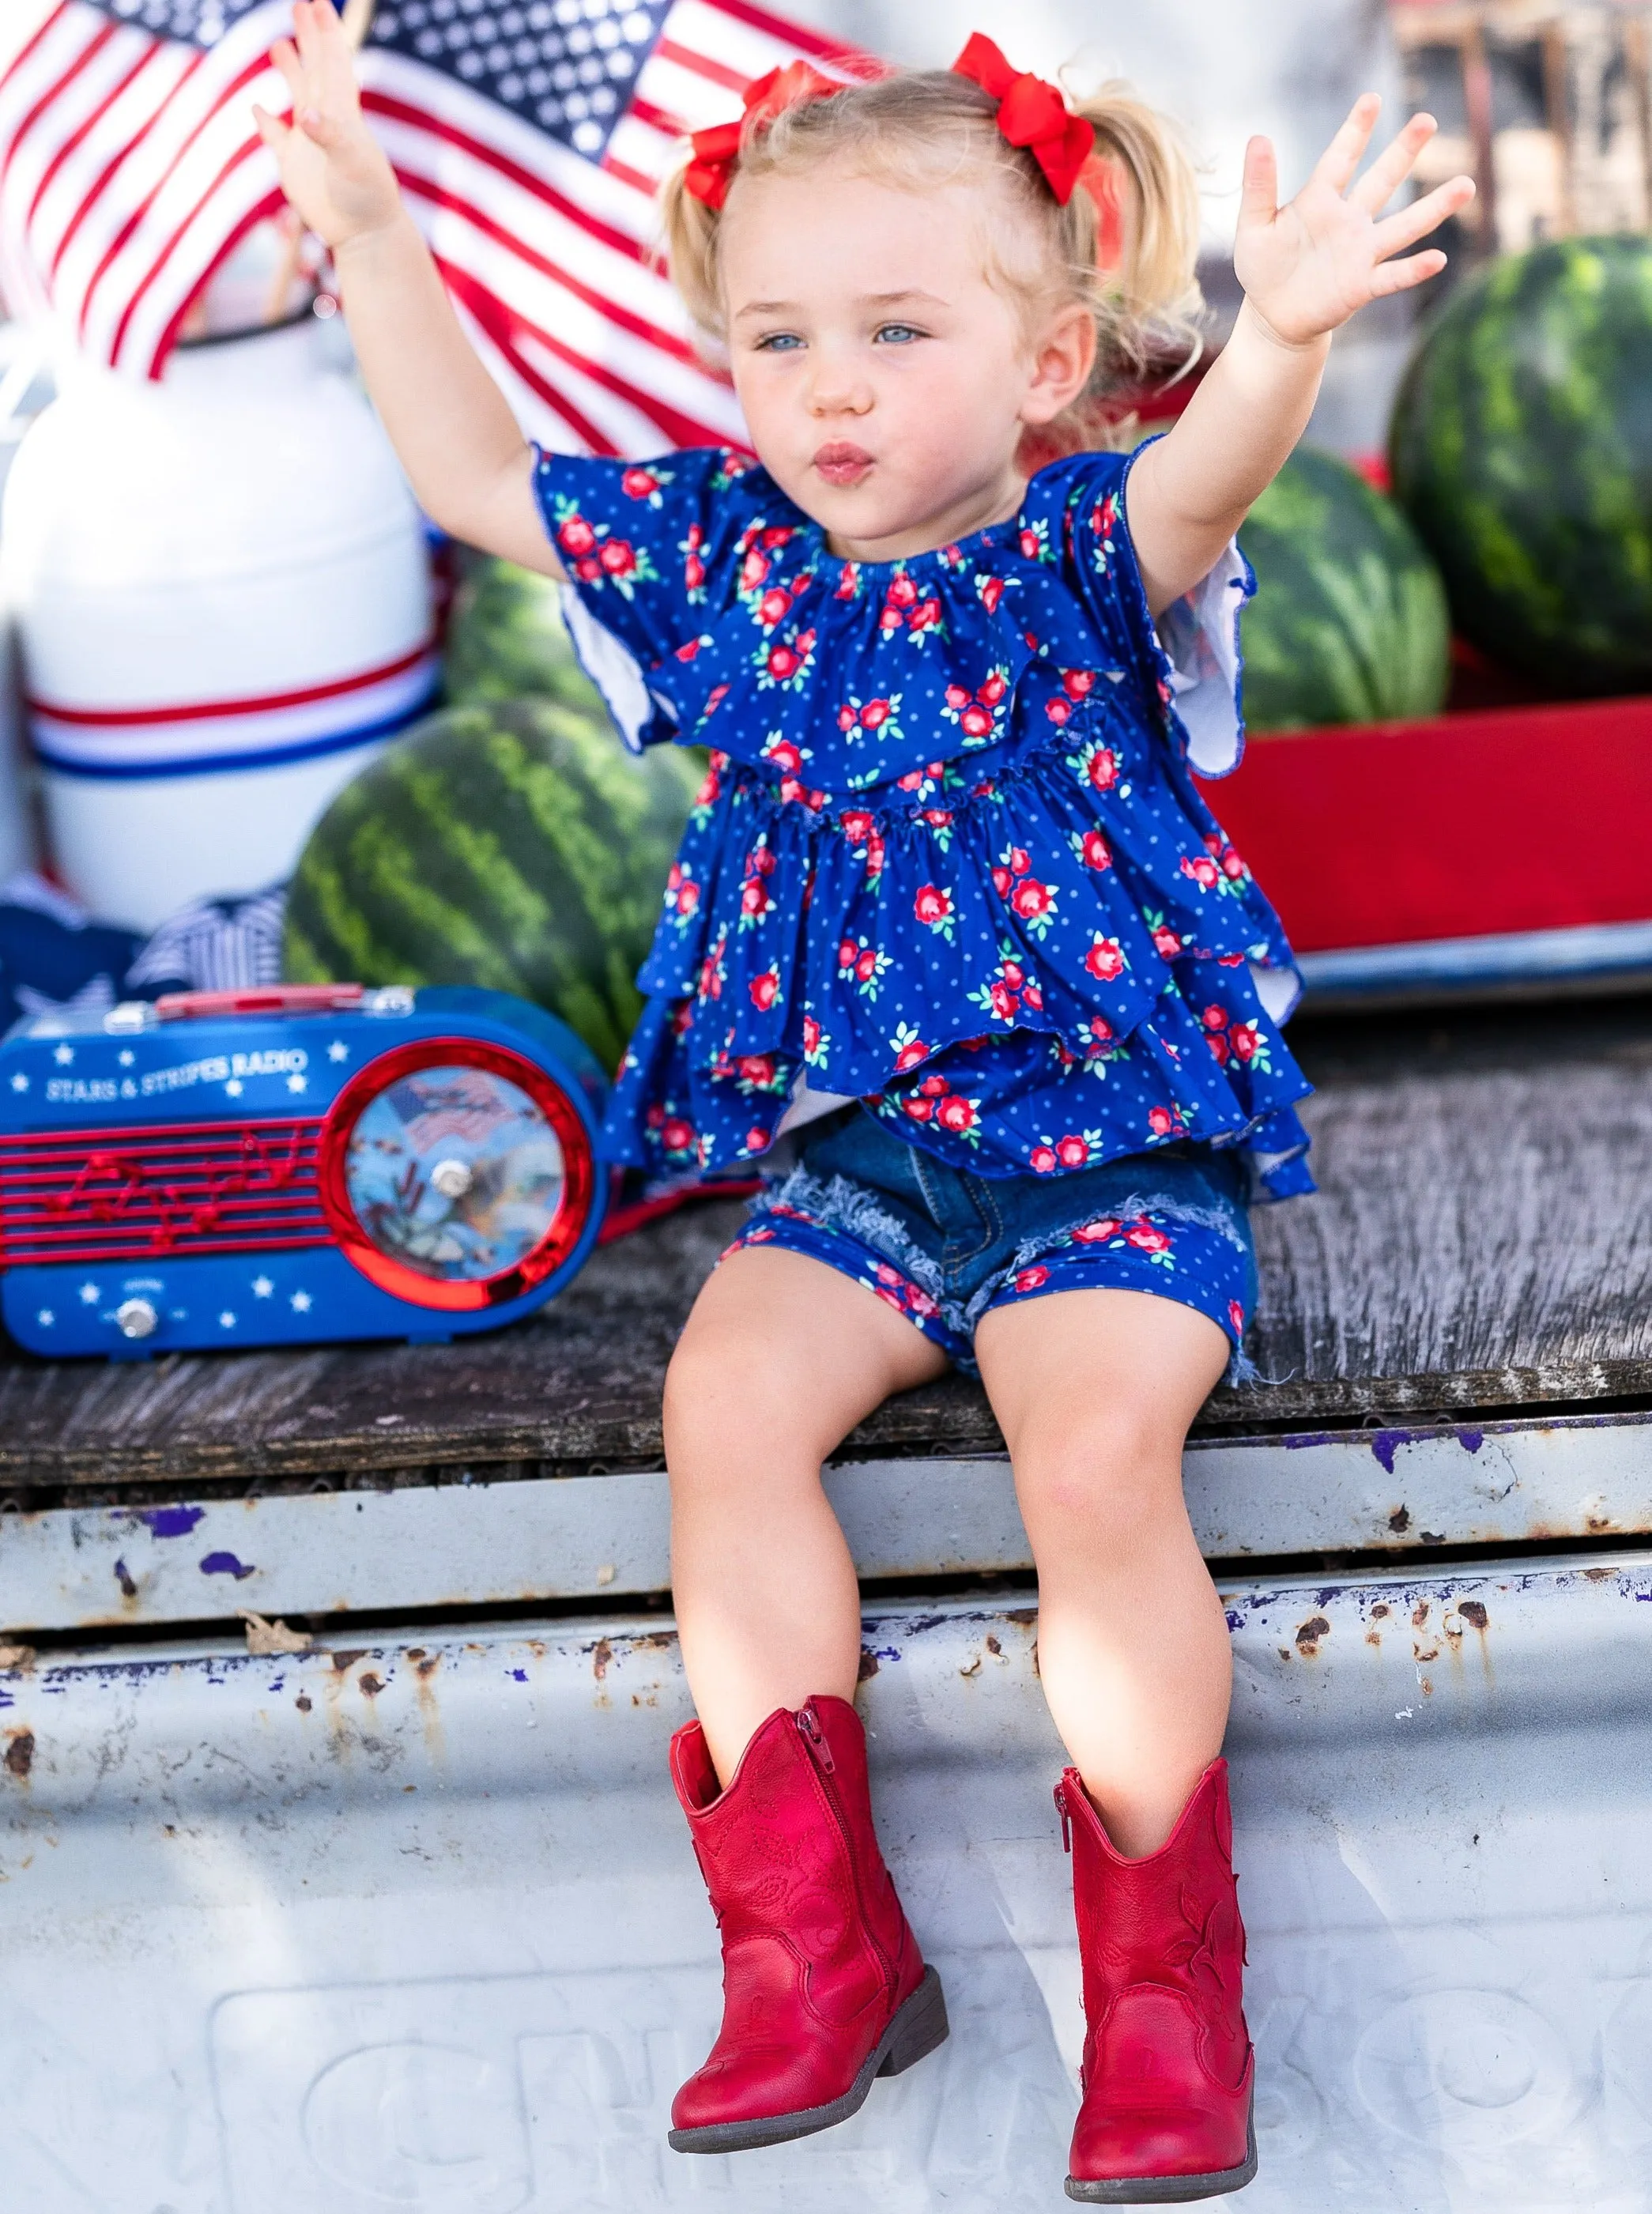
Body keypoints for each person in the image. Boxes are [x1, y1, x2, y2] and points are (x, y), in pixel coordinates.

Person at [256, 13, 1472, 2197]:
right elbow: (470, 479)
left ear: (1040, 360)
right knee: (724, 1408)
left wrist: (1280, 344)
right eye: (777, 337)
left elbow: (1207, 484)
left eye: (895, 331)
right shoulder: (730, 568)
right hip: (866, 1165)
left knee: (1087, 1450)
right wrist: (362, 227)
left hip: (1106, 1144)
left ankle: (1166, 1985)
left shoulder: (1080, 554)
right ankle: (810, 1948)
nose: (825, 387)